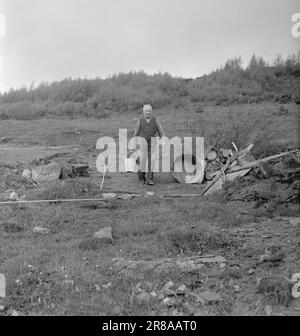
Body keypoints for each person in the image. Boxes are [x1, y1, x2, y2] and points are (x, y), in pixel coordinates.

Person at [131, 104, 166, 185]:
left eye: (149, 111)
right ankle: (141, 178)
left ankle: (149, 179)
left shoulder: (156, 120)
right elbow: (135, 134)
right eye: (146, 111)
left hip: (153, 143)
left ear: (151, 112)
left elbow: (161, 132)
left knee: (152, 161)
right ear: (143, 112)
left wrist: (163, 140)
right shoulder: (140, 121)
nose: (148, 112)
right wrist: (134, 144)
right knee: (143, 160)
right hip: (142, 143)